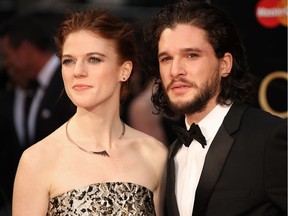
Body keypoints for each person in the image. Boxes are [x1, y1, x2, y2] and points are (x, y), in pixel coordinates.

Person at [12, 8, 168, 215]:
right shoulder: (38, 160)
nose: (78, 71)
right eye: (69, 60)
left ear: (124, 70)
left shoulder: (154, 156)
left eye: (94, 59)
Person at [143, 1, 287, 216]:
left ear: (225, 64)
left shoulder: (269, 138)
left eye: (191, 55)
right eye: (166, 58)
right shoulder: (172, 154)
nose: (175, 70)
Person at [0, 14, 75, 214]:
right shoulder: (14, 89)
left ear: (25, 50)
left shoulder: (70, 85)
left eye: (7, 56)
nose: (5, 65)